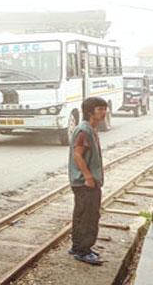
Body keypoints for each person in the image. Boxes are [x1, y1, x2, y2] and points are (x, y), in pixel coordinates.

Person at [68, 97, 108, 265]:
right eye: (100, 109)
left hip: (83, 181)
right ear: (90, 111)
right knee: (89, 216)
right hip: (85, 182)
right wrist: (89, 177)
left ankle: (77, 247)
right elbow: (78, 155)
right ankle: (83, 251)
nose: (104, 112)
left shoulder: (90, 129)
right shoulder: (84, 130)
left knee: (81, 214)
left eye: (104, 108)